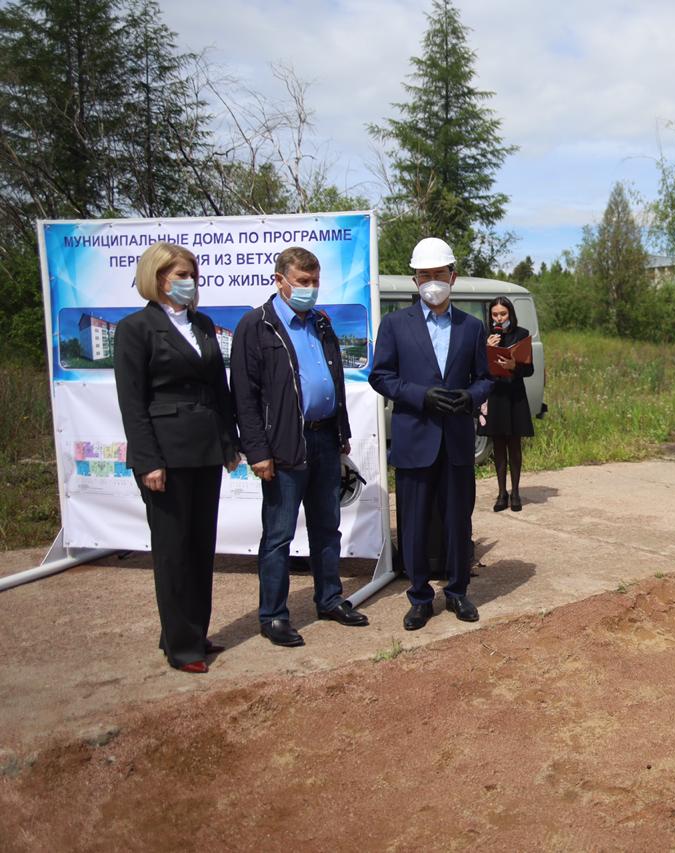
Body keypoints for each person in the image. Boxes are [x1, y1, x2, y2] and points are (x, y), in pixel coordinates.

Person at [230, 246, 369, 647]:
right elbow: (245, 397)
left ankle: (329, 599)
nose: (310, 289)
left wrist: (342, 432)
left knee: (328, 526)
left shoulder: (321, 323)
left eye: (315, 282)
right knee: (279, 534)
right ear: (281, 281)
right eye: (302, 282)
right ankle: (273, 616)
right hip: (284, 444)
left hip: (325, 438)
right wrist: (256, 452)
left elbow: (335, 381)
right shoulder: (256, 327)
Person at [114, 242, 240, 674]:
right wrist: (148, 460)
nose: (188, 282)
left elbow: (217, 390)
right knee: (172, 550)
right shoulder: (135, 328)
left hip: (205, 449)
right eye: (179, 275)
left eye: (192, 274)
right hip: (165, 454)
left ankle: (190, 631)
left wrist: (229, 442)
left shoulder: (202, 324)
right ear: (157, 278)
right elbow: (132, 402)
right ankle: (181, 648)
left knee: (201, 546)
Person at [370, 237, 492, 628]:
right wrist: (422, 396)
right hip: (414, 438)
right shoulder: (394, 325)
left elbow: (486, 379)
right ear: (415, 279)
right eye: (425, 275)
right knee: (415, 522)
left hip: (456, 441)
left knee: (458, 520)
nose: (432, 282)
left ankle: (457, 592)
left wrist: (469, 398)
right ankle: (420, 596)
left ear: (453, 277)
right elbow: (381, 376)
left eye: (439, 274)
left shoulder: (472, 327)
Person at [478, 296, 535, 511]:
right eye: (495, 314)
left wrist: (514, 365)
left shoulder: (521, 334)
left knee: (514, 446)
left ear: (510, 313)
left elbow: (529, 370)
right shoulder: (485, 336)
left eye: (503, 314)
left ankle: (516, 493)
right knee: (498, 446)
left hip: (515, 397)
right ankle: (501, 493)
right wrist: (485, 349)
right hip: (495, 396)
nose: (499, 318)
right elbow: (476, 368)